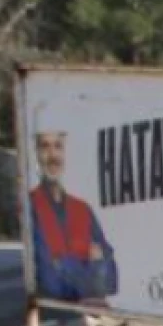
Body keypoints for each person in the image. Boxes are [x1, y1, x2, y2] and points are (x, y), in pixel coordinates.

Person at [29, 125, 119, 304]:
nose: (52, 156)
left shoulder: (82, 208)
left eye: (58, 146)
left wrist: (63, 265)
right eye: (45, 146)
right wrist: (92, 266)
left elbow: (110, 279)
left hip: (88, 313)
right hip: (52, 313)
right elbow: (50, 284)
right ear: (36, 154)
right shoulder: (31, 205)